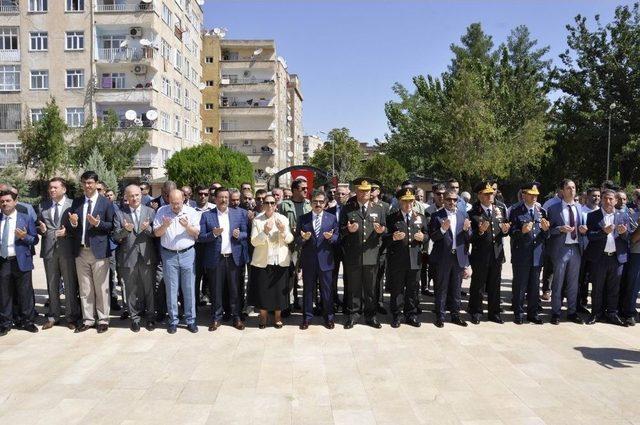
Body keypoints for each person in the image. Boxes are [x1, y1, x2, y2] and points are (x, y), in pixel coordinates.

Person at [63, 171, 115, 333]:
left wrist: (98, 223)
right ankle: (88, 319)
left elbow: (111, 227)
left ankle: (103, 320)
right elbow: (73, 227)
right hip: (81, 251)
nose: (88, 185)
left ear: (96, 183)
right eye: (85, 182)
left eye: (91, 182)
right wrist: (73, 223)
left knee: (101, 288)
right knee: (85, 289)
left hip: (99, 251)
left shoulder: (105, 203)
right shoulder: (77, 202)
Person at [198, 187, 248, 331]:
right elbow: (201, 237)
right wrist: (212, 234)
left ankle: (236, 317)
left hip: (234, 258)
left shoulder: (239, 214)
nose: (224, 200)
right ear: (215, 198)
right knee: (216, 290)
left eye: (226, 197)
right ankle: (216, 318)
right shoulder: (207, 216)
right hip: (216, 259)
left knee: (235, 290)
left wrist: (240, 235)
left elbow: (246, 233)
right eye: (221, 197)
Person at [340, 178, 387, 329]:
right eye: (361, 190)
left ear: (371, 192)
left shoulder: (378, 209)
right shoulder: (347, 209)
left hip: (371, 255)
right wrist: (348, 230)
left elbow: (385, 230)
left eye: (367, 190)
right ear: (356, 191)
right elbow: (339, 231)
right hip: (353, 255)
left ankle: (371, 316)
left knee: (370, 288)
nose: (364, 193)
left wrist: (382, 231)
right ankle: (353, 315)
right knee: (353, 288)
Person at [153, 189, 200, 334]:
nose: (175, 206)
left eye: (178, 203)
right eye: (172, 203)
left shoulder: (191, 212)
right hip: (169, 255)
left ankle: (190, 320)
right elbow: (156, 233)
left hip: (187, 253)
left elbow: (197, 233)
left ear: (184, 199)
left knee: (189, 288)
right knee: (171, 289)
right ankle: (173, 320)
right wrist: (165, 225)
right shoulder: (162, 211)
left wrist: (187, 226)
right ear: (168, 200)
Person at [112, 185, 157, 332]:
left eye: (137, 195)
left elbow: (157, 234)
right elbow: (115, 236)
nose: (135, 198)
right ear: (126, 197)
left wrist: (148, 229)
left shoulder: (150, 211)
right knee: (131, 290)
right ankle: (135, 319)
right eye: (131, 195)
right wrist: (126, 231)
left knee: (149, 289)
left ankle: (150, 317)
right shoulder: (119, 214)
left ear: (141, 195)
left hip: (146, 256)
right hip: (128, 258)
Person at [37, 177, 80, 330]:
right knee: (52, 284)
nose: (52, 190)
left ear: (64, 189)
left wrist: (68, 231)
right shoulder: (43, 206)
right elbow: (38, 226)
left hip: (67, 250)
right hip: (49, 250)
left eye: (55, 187)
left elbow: (79, 227)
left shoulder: (73, 204)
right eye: (50, 188)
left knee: (69, 284)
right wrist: (40, 230)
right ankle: (53, 316)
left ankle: (71, 316)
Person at [584, 189, 630, 326]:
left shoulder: (623, 216)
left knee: (614, 289)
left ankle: (612, 313)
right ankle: (596, 313)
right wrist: (603, 232)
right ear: (601, 200)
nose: (608, 201)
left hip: (616, 258)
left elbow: (628, 238)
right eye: (605, 198)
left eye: (611, 199)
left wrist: (624, 233)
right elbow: (590, 236)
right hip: (599, 258)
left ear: (616, 201)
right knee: (597, 288)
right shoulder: (593, 216)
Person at [467, 181, 510, 325]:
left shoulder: (499, 210)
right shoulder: (473, 213)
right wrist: (480, 231)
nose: (490, 196)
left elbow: (503, 229)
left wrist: (505, 230)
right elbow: (469, 237)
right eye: (486, 194)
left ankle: (494, 312)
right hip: (480, 254)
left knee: (495, 284)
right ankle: (476, 311)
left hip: (496, 253)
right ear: (479, 195)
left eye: (491, 193)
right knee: (478, 284)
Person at [385, 188, 428, 328]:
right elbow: (384, 239)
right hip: (397, 260)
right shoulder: (392, 218)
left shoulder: (420, 217)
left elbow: (427, 235)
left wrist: (423, 237)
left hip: (415, 259)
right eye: (405, 201)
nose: (408, 204)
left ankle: (411, 314)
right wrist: (392, 237)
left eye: (411, 201)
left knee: (413, 289)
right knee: (397, 289)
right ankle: (397, 315)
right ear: (399, 201)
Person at [546, 179, 587, 325]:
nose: (572, 190)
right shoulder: (554, 208)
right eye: (568, 188)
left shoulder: (580, 208)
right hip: (560, 249)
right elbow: (548, 231)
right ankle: (556, 312)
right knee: (558, 282)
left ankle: (572, 312)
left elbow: (582, 226)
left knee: (573, 283)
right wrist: (560, 229)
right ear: (562, 191)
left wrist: (583, 230)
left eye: (574, 188)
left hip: (576, 248)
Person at [429, 189, 471, 328]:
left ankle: (455, 315)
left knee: (456, 288)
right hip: (442, 257)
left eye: (454, 200)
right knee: (441, 287)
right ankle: (440, 316)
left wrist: (466, 231)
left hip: (458, 257)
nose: (451, 202)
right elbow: (433, 237)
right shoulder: (436, 216)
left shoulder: (463, 214)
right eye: (449, 199)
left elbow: (468, 239)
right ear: (444, 200)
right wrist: (442, 230)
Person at [508, 182, 550, 325]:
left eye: (536, 195)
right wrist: (522, 231)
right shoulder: (515, 210)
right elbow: (511, 232)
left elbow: (546, 235)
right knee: (520, 286)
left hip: (537, 255)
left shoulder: (541, 212)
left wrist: (546, 230)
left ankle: (533, 314)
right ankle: (519, 313)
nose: (534, 198)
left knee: (534, 287)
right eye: (531, 195)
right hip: (522, 255)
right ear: (524, 195)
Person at [296, 191, 339, 329]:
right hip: (309, 261)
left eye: (321, 202)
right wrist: (303, 238)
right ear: (311, 202)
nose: (318, 204)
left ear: (325, 203)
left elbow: (337, 236)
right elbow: (297, 239)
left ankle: (329, 318)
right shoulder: (303, 219)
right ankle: (307, 318)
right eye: (315, 201)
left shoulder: (331, 218)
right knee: (308, 290)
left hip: (326, 261)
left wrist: (330, 238)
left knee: (327, 290)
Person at [250, 194, 293, 328]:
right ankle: (263, 317)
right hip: (263, 260)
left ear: (276, 205)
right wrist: (265, 231)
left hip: (280, 260)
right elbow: (254, 241)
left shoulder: (283, 219)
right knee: (263, 291)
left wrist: (282, 231)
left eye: (272, 203)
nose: (269, 205)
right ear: (263, 204)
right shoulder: (257, 220)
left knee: (279, 291)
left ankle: (277, 317)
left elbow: (290, 239)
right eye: (267, 203)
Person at [0, 189, 39, 336]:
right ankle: (5, 323)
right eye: (2, 201)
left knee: (25, 293)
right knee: (4, 294)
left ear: (15, 202)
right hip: (3, 261)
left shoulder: (25, 218)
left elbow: (34, 240)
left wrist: (24, 237)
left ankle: (27, 321)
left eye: (8, 200)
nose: (5, 203)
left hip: (21, 260)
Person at [278, 179, 311, 314]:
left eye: (306, 188)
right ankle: (288, 303)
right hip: (289, 245)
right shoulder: (285, 205)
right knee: (290, 274)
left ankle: (303, 302)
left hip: (306, 244)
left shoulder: (308, 205)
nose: (306, 190)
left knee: (305, 275)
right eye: (303, 188)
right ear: (295, 190)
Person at [327, 184, 349, 309]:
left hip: (348, 248)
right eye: (338, 194)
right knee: (333, 276)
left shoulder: (353, 211)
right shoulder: (329, 211)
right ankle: (334, 301)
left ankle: (347, 303)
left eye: (343, 194)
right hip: (333, 248)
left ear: (348, 194)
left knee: (348, 277)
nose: (340, 196)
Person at [194, 185, 214, 306]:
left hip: (211, 246)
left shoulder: (214, 209)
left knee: (212, 277)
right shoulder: (189, 209)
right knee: (196, 277)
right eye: (200, 194)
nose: (203, 196)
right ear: (196, 194)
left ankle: (212, 303)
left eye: (205, 194)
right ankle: (195, 304)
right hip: (196, 247)